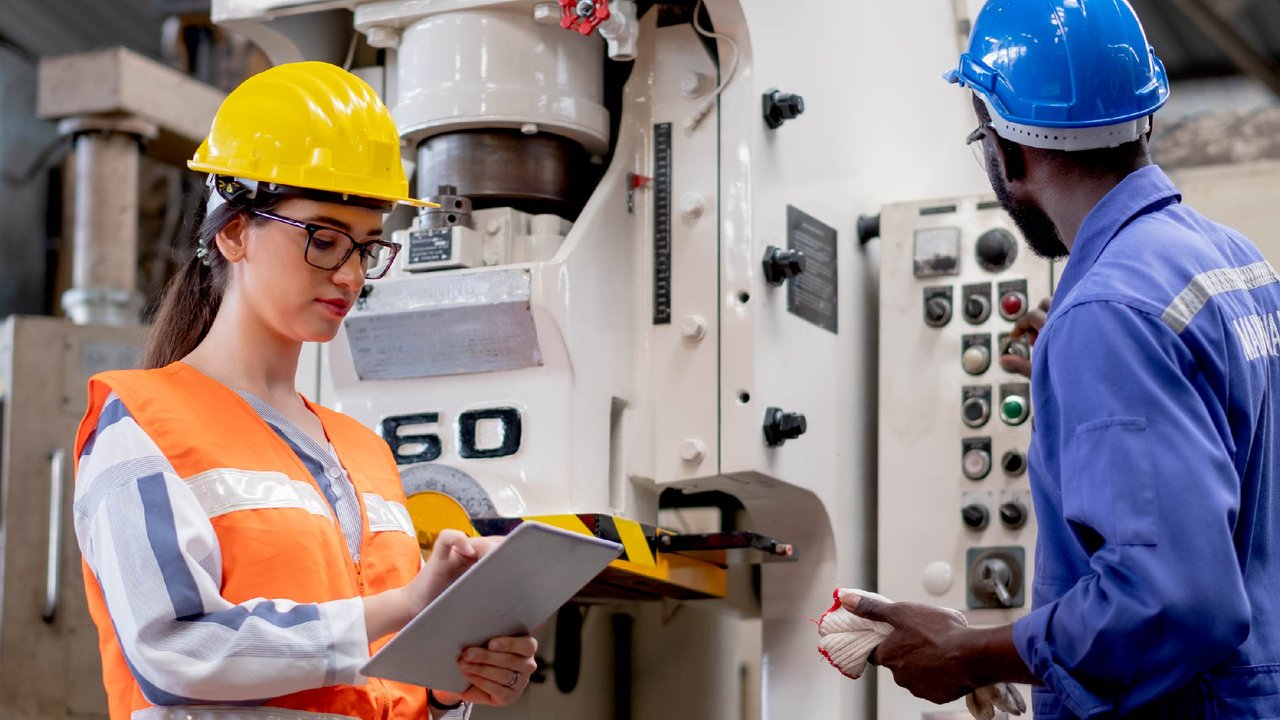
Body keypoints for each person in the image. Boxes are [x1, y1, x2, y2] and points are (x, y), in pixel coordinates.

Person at [844, 0, 1280, 717]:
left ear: (1005, 150)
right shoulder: (1233, 261)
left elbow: (1173, 601)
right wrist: (1090, 372)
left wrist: (970, 651)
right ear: (1144, 116)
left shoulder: (1109, 315)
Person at [72, 61, 536, 720]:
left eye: (366, 248)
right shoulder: (143, 423)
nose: (350, 274)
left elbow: (372, 686)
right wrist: (407, 605)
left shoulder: (367, 454)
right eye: (324, 239)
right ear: (234, 231)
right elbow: (175, 652)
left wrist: (446, 687)